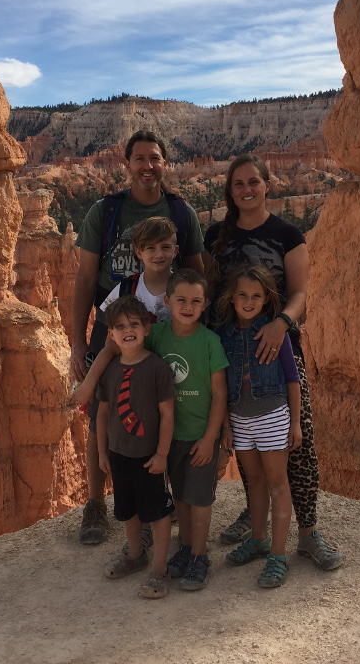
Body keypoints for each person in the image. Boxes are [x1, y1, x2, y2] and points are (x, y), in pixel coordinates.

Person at [204, 154, 345, 571]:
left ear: (268, 185)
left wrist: (281, 324)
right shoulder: (216, 235)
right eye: (238, 185)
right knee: (247, 444)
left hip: (277, 347)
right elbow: (210, 294)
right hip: (231, 354)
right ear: (231, 192)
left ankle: (308, 533)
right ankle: (259, 531)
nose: (246, 190)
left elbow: (300, 293)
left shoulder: (287, 234)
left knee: (298, 448)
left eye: (253, 182)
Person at [72, 131, 204, 545]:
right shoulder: (105, 210)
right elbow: (85, 277)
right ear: (127, 163)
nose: (148, 166)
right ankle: (96, 505)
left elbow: (199, 275)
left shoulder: (181, 213)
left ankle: (156, 501)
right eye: (140, 159)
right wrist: (78, 340)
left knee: (161, 410)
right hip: (115, 325)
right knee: (101, 414)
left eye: (156, 158)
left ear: (166, 163)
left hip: (167, 332)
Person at [216, 264, 301, 588]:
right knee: (254, 481)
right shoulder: (224, 334)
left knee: (278, 483)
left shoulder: (275, 331)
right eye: (243, 295)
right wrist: (226, 425)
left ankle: (278, 555)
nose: (249, 301)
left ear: (266, 299)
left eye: (256, 296)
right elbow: (221, 384)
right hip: (239, 419)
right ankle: (259, 538)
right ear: (233, 298)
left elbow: (292, 379)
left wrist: (294, 423)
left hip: (272, 417)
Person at [146, 269, 229, 591]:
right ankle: (183, 547)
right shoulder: (157, 335)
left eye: (196, 301)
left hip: (199, 435)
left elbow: (220, 393)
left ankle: (199, 555)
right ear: (167, 301)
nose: (188, 306)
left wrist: (211, 438)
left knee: (200, 498)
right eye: (181, 299)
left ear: (205, 304)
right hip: (169, 437)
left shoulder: (210, 341)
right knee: (179, 493)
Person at [95, 295, 176, 599]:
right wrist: (103, 452)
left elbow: (168, 413)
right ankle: (134, 554)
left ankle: (159, 569)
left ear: (146, 329)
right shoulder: (110, 370)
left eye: (134, 324)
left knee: (156, 512)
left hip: (149, 457)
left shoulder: (157, 368)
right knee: (128, 509)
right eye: (119, 326)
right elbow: (103, 413)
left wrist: (162, 454)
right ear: (112, 335)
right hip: (118, 454)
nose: (127, 330)